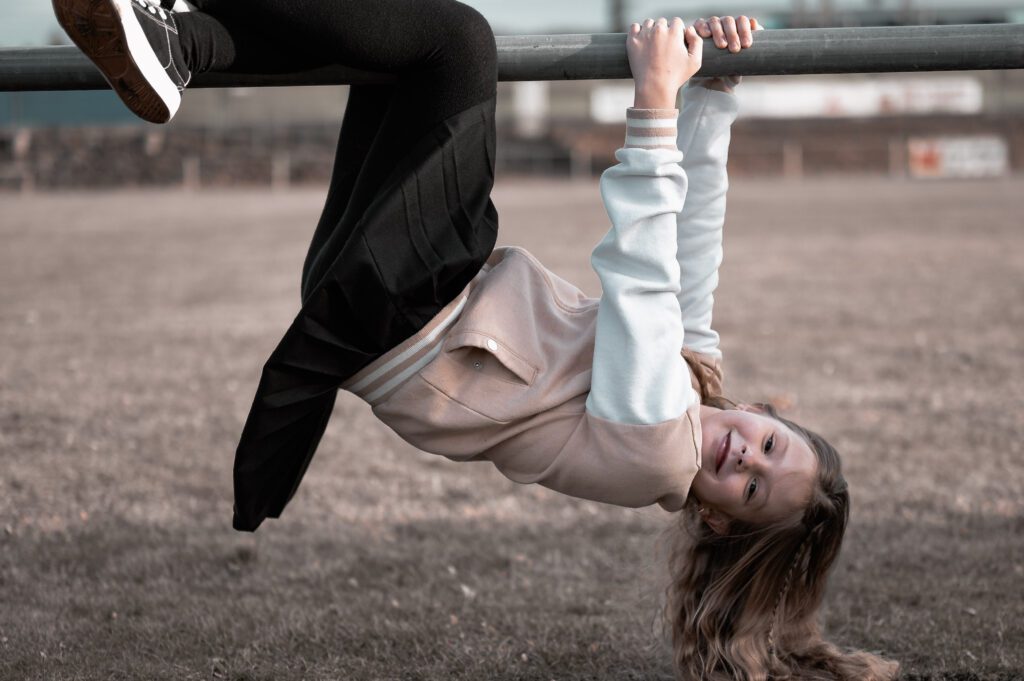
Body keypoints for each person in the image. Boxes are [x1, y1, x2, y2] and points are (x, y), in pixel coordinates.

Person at [54, 1, 899, 678]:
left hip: (418, 314)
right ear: (761, 412)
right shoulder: (692, 383)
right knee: (394, 40)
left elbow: (646, 277)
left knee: (458, 44)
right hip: (387, 299)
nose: (745, 458)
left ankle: (184, 38)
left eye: (751, 488)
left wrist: (656, 100)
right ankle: (176, 40)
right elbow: (693, 249)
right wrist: (713, 94)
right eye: (769, 445)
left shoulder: (657, 453)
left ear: (715, 518)